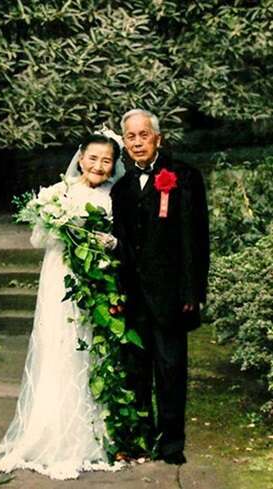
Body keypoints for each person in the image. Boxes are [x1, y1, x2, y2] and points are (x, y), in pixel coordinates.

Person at [0, 132, 126, 480]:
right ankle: (51, 428)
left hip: (97, 281)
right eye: (93, 158)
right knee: (59, 346)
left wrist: (111, 241)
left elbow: (127, 238)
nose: (99, 166)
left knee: (93, 346)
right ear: (80, 157)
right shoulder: (59, 193)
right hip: (61, 277)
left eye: (106, 160)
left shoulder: (116, 197)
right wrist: (58, 224)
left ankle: (93, 429)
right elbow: (38, 238)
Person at [110, 109, 209, 465]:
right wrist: (117, 292)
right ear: (124, 143)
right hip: (133, 297)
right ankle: (141, 439)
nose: (137, 142)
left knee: (170, 370)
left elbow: (196, 239)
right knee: (136, 372)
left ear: (158, 138)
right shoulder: (120, 189)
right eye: (131, 137)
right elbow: (120, 243)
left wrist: (191, 292)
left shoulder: (183, 177)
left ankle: (172, 443)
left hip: (171, 296)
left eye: (143, 135)